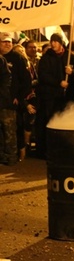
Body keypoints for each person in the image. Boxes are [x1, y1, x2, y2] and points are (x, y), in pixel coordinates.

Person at [35, 33, 74, 158]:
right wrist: (58, 82)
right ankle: (47, 150)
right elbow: (43, 75)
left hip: (65, 97)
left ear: (61, 42)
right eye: (52, 41)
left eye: (56, 41)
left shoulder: (70, 56)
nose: (53, 44)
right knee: (50, 121)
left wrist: (71, 72)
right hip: (50, 97)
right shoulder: (46, 58)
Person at [1, 35, 33, 161]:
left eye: (10, 42)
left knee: (13, 129)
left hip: (12, 102)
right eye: (4, 42)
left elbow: (26, 81)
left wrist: (19, 97)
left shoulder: (18, 58)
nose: (8, 44)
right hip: (2, 100)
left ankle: (14, 156)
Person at [0, 34, 16, 165]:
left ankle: (10, 157)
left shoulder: (1, 60)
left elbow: (6, 78)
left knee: (8, 130)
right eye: (3, 42)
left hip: (3, 101)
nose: (6, 44)